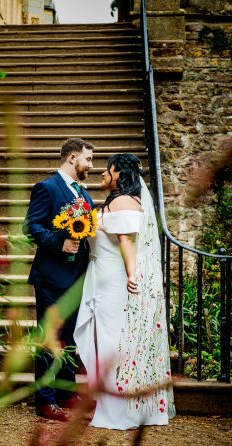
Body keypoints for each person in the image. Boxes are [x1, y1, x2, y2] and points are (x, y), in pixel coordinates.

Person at [74, 153, 175, 430]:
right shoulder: (124, 200)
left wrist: (132, 274)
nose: (102, 175)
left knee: (111, 343)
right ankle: (124, 407)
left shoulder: (122, 201)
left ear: (118, 173)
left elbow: (127, 240)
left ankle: (117, 412)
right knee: (114, 341)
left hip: (114, 280)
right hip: (104, 277)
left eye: (107, 170)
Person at [23, 138, 95, 422]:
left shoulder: (82, 193)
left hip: (77, 276)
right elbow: (31, 226)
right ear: (72, 158)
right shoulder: (47, 188)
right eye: (88, 159)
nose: (91, 165)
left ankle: (66, 392)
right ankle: (45, 399)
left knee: (70, 337)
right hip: (52, 276)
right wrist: (59, 243)